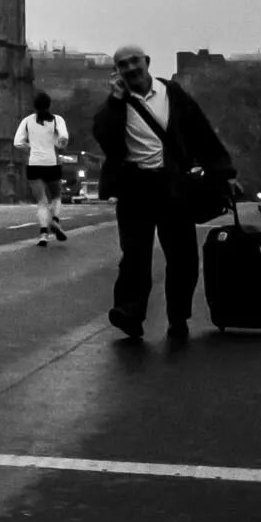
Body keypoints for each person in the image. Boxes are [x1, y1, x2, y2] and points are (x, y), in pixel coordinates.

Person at [91, 44, 237, 343]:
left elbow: (202, 134)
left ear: (147, 62)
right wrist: (116, 101)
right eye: (122, 64)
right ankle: (130, 312)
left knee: (182, 256)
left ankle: (178, 315)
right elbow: (105, 137)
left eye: (134, 62)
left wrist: (225, 174)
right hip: (134, 187)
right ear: (116, 71)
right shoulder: (116, 104)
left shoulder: (173, 94)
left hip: (173, 186)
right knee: (134, 255)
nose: (130, 68)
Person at [14, 92, 69, 246]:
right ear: (49, 104)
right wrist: (58, 146)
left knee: (41, 201)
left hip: (34, 164)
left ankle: (43, 234)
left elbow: (17, 142)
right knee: (57, 196)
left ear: (34, 106)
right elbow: (64, 137)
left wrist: (30, 149)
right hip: (51, 162)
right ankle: (56, 221)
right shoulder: (57, 120)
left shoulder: (27, 121)